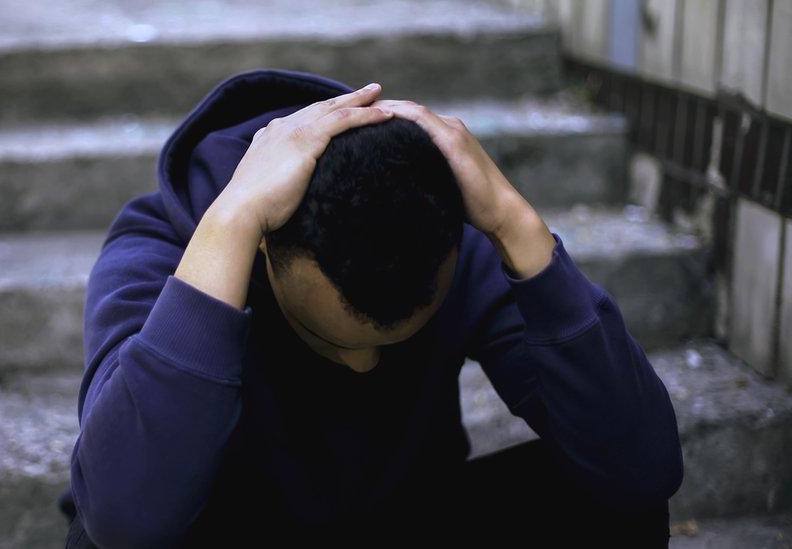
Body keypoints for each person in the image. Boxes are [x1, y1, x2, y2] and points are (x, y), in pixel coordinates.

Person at [60, 68, 684, 548]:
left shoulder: (452, 237)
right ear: (267, 245)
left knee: (612, 490)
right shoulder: (164, 244)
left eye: (392, 340)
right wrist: (231, 222)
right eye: (329, 338)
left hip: (400, 520)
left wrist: (514, 224)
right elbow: (123, 517)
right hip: (232, 529)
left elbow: (642, 470)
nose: (362, 366)